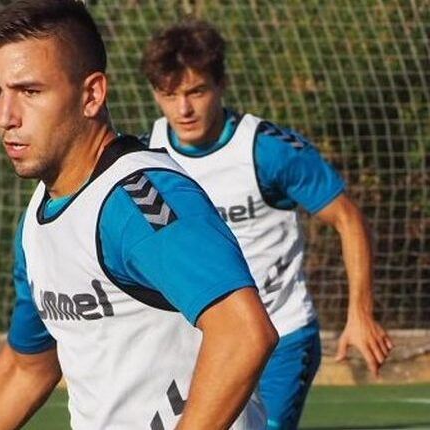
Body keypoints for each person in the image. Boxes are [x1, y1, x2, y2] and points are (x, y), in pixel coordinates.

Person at [0, 2, 277, 429]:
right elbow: (28, 367)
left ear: (92, 94)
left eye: (30, 91)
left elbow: (243, 333)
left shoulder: (141, 200)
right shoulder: (39, 218)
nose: (7, 117)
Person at [141, 19, 394, 430]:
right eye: (169, 96)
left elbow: (347, 217)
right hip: (200, 346)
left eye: (196, 91)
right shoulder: (148, 157)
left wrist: (360, 313)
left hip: (282, 336)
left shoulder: (267, 150)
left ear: (220, 84)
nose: (182, 109)